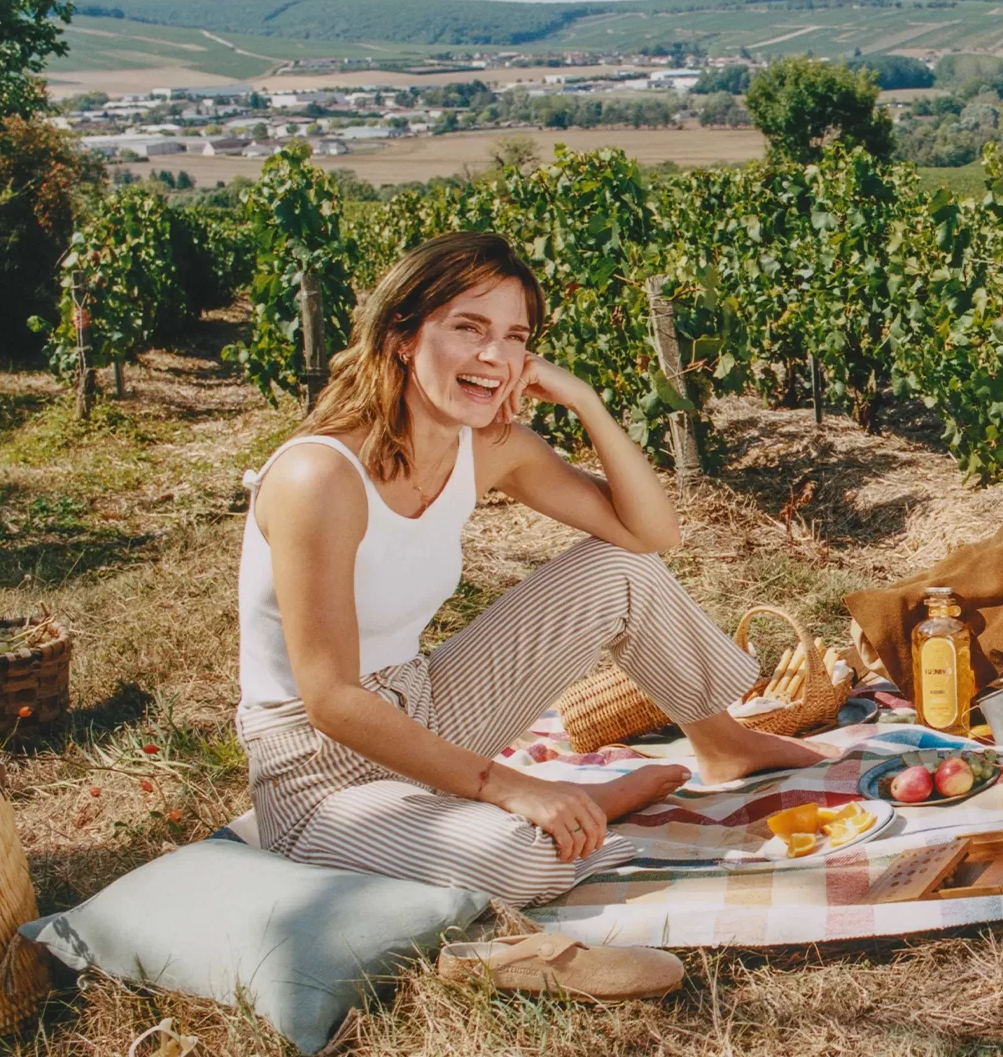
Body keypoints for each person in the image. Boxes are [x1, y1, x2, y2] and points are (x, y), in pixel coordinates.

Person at [236, 231, 828, 906]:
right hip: (316, 771)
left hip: (421, 707)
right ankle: (571, 807)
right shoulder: (319, 477)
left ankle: (723, 746)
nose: (495, 356)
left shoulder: (487, 446)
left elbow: (650, 535)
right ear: (402, 334)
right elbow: (332, 700)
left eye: (514, 336)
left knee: (618, 567)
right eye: (469, 327)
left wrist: (585, 402)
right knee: (521, 857)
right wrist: (510, 785)